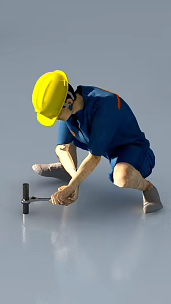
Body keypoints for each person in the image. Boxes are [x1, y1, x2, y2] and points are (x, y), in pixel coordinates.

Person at [30, 70, 162, 213]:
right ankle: (67, 171)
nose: (55, 119)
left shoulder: (105, 106)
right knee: (65, 147)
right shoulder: (71, 107)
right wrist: (74, 179)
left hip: (130, 148)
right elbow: (62, 147)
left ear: (68, 102)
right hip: (99, 142)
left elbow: (94, 157)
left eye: (56, 114)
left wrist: (72, 186)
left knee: (122, 177)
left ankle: (149, 188)